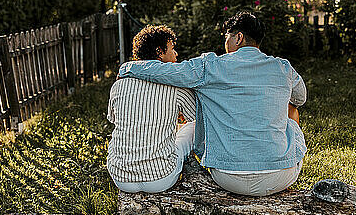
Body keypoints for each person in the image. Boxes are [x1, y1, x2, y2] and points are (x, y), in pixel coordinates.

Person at [118, 11, 307, 196]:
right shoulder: (282, 67)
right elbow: (300, 98)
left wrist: (128, 67)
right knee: (292, 112)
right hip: (280, 176)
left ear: (238, 37)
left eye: (227, 36)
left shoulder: (210, 67)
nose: (225, 41)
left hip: (227, 176)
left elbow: (167, 72)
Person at [107, 25, 196, 193]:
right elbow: (196, 118)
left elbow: (114, 120)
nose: (176, 54)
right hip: (161, 178)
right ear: (159, 51)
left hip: (121, 178)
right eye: (172, 49)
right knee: (190, 128)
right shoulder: (175, 85)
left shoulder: (119, 84)